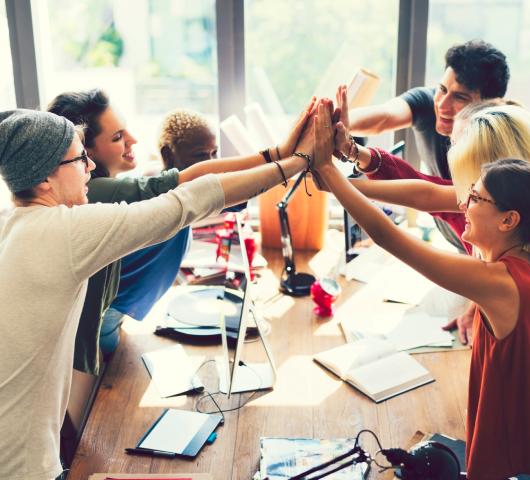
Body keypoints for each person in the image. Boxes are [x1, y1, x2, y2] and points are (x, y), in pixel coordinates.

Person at [0, 102, 315, 480]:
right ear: (45, 178)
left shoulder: (13, 225)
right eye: (79, 159)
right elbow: (187, 202)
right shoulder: (65, 231)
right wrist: (296, 163)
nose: (89, 167)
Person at [311, 101, 530, 479]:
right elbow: (428, 194)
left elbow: (387, 235)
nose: (462, 201)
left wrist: (330, 175)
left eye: (474, 196)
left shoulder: (501, 279)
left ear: (509, 219)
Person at [47, 90, 299, 372]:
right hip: (93, 335)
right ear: (85, 150)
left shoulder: (113, 189)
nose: (133, 139)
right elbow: (194, 184)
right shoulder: (95, 192)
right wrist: (286, 156)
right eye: (117, 137)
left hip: (108, 323)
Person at [334, 93, 530, 349]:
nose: (463, 202)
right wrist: (347, 161)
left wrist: (333, 180)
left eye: (472, 190)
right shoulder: (501, 200)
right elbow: (426, 193)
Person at [348, 39, 510, 252]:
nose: (442, 105)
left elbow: (429, 196)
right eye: (442, 89)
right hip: (460, 245)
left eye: (460, 97)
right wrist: (340, 121)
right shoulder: (429, 103)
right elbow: (383, 117)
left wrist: (336, 182)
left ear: (491, 105)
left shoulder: (501, 154)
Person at [100, 109, 231, 354]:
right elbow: (232, 196)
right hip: (105, 319)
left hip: (118, 314)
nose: (211, 162)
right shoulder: (166, 194)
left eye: (215, 153)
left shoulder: (157, 179)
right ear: (168, 155)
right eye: (201, 155)